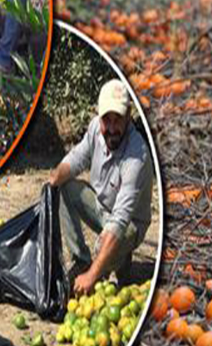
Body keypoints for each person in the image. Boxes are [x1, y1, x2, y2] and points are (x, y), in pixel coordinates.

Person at [47, 80, 153, 295]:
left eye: (118, 120)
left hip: (130, 223)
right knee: (65, 186)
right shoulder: (96, 128)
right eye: (107, 120)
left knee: (105, 245)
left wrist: (93, 276)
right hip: (102, 206)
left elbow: (121, 219)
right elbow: (77, 158)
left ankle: (118, 259)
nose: (112, 128)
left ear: (129, 115)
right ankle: (81, 260)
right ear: (99, 115)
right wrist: (52, 181)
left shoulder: (137, 156)